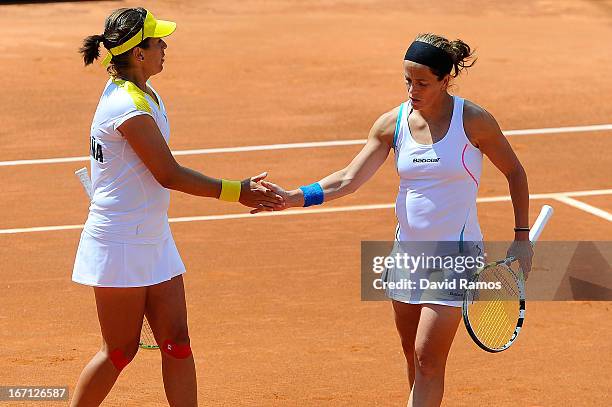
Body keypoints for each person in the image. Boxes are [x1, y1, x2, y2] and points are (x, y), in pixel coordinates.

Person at [261, 33, 533, 406]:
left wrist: (522, 236)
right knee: (412, 355)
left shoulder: (473, 121)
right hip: (406, 255)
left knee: (427, 360)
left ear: (445, 79)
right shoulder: (393, 123)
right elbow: (347, 179)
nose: (412, 90)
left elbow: (515, 172)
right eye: (407, 80)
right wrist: (294, 198)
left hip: (456, 257)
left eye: (422, 82)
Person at [72, 7, 283, 407]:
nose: (165, 46)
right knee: (119, 351)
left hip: (152, 236)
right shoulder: (126, 107)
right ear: (138, 53)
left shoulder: (141, 91)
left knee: (177, 342)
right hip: (119, 242)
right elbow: (167, 174)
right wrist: (238, 191)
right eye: (157, 41)